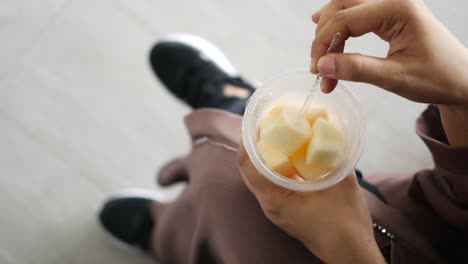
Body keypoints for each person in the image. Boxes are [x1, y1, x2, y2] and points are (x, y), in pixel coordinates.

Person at [98, 0, 468, 263]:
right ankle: (235, 99)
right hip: (431, 221)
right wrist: (460, 94)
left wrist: (348, 248)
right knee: (246, 160)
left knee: (234, 224)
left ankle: (169, 235)